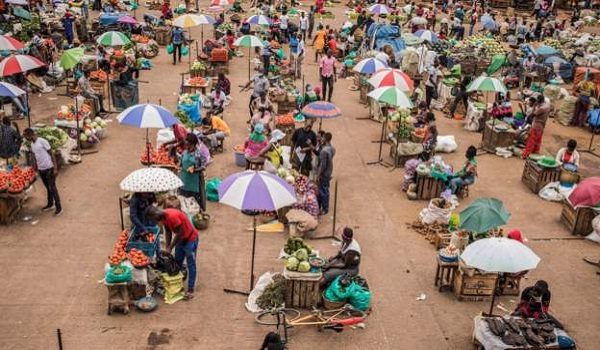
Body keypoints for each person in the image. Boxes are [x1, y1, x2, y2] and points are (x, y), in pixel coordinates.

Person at [148, 207, 198, 299]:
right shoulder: (164, 218)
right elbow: (168, 232)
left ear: (156, 216)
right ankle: (178, 285)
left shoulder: (172, 217)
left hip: (190, 239)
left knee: (191, 264)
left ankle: (190, 289)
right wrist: (167, 246)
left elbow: (180, 232)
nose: (158, 224)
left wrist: (171, 247)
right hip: (181, 240)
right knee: (177, 262)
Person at [23, 128, 62, 216]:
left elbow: (51, 154)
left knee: (52, 188)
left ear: (30, 135)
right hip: (41, 169)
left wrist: (55, 168)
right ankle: (50, 204)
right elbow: (34, 157)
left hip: (49, 168)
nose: (26, 139)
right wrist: (34, 170)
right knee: (47, 188)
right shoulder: (32, 145)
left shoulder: (42, 141)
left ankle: (59, 208)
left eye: (26, 137)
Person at [179, 134, 206, 211]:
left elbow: (203, 167)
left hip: (194, 181)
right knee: (183, 199)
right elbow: (181, 164)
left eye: (189, 145)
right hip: (184, 179)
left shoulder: (198, 154)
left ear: (194, 144)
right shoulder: (184, 153)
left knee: (194, 201)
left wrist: (195, 170)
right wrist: (178, 166)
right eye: (186, 145)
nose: (187, 147)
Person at [317, 132, 335, 215]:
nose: (321, 139)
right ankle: (321, 206)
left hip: (324, 174)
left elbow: (322, 165)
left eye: (323, 137)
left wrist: (319, 174)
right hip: (329, 171)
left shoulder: (324, 151)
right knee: (324, 189)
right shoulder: (331, 148)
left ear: (325, 139)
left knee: (323, 191)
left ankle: (325, 208)